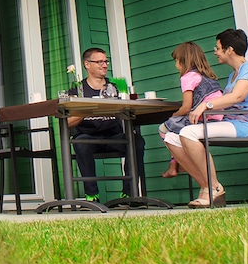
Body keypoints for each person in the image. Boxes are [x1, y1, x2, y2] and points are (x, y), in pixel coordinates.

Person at [164, 28, 248, 208]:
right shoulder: (232, 75)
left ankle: (213, 189)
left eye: (218, 48)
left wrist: (207, 105)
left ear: (230, 50)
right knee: (171, 137)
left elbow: (237, 97)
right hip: (231, 122)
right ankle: (208, 187)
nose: (215, 52)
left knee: (188, 132)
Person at [65, 47, 144, 203]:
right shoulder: (77, 91)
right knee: (81, 143)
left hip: (114, 136)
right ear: (87, 64)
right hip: (88, 137)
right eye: (99, 62)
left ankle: (130, 194)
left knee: (137, 141)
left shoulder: (115, 88)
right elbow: (67, 122)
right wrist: (89, 108)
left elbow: (129, 110)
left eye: (105, 61)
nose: (104, 65)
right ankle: (92, 196)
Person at [159, 41, 224, 179]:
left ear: (183, 61)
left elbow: (186, 107)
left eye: (176, 60)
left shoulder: (187, 77)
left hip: (203, 119)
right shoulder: (208, 76)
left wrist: (173, 115)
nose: (175, 65)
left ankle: (178, 162)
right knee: (175, 131)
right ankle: (176, 164)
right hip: (218, 118)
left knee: (164, 128)